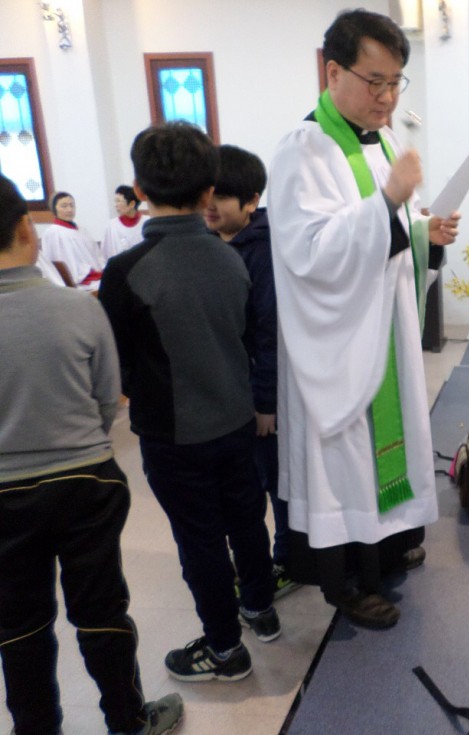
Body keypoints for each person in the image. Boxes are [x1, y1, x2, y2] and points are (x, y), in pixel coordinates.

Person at [267, 8, 460, 629]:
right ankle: (347, 582)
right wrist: (391, 201)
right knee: (344, 463)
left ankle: (388, 548)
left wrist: (425, 230)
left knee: (386, 448)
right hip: (338, 345)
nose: (387, 97)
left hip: (386, 333)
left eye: (396, 82)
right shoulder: (303, 149)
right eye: (374, 81)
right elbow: (310, 253)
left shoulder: (385, 143)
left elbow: (390, 233)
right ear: (332, 73)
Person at [0, 174, 184, 735]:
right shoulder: (78, 309)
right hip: (85, 480)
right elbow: (109, 398)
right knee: (102, 611)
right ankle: (128, 721)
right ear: (28, 229)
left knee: (18, 626)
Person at [99, 122, 280, 682]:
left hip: (173, 436)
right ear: (208, 191)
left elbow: (115, 364)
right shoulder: (231, 258)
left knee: (199, 539)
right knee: (247, 520)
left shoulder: (126, 272)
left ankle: (224, 650)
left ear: (139, 189)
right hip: (236, 420)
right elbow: (247, 338)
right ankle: (261, 609)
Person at [205, 144, 297, 599]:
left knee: (276, 480)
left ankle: (288, 560)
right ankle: (261, 560)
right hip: (228, 394)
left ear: (252, 201)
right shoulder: (213, 245)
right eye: (207, 195)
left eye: (222, 197)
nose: (211, 206)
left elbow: (269, 332)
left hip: (265, 392)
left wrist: (265, 401)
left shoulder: (262, 249)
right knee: (244, 486)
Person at [40, 191, 104, 289]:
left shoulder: (82, 229)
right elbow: (57, 262)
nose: (69, 210)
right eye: (64, 206)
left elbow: (96, 255)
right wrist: (82, 274)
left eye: (72, 205)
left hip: (94, 275)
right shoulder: (53, 232)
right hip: (77, 281)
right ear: (54, 209)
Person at [102, 184, 148, 260]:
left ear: (132, 204)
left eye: (118, 201)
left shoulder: (147, 223)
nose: (116, 205)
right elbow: (106, 253)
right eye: (115, 201)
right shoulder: (111, 226)